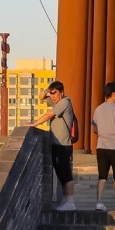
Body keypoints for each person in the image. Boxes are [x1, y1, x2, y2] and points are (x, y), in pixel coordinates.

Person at [33, 79, 78, 211]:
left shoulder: (64, 102)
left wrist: (34, 124)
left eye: (55, 93)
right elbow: (41, 98)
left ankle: (70, 202)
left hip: (63, 144)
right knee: (61, 173)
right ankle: (66, 200)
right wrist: (46, 91)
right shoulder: (56, 102)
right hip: (57, 144)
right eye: (51, 93)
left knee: (66, 174)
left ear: (62, 93)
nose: (52, 96)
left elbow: (48, 115)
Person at [91, 80, 115, 210]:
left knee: (102, 176)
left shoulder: (98, 109)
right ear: (113, 93)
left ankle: (99, 202)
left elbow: (95, 129)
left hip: (101, 146)